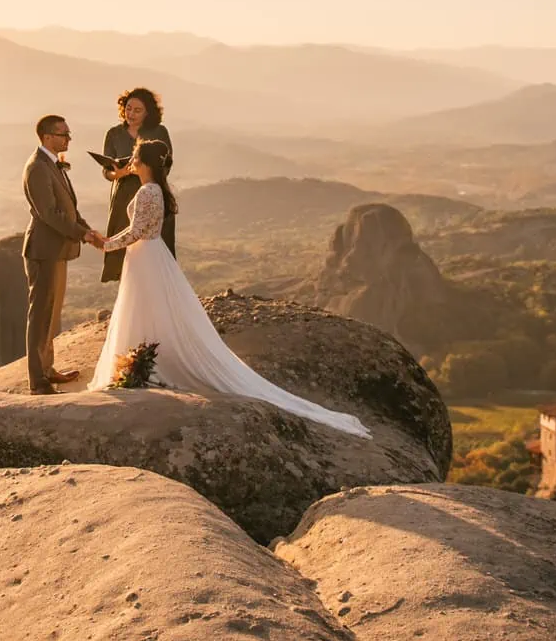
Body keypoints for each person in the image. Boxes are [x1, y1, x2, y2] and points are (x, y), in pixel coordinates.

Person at [88, 138, 369, 436]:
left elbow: (137, 232)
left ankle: (144, 362)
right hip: (150, 255)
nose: (131, 161)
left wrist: (106, 244)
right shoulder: (155, 189)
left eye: (135, 157)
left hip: (145, 256)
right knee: (151, 307)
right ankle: (146, 360)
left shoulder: (147, 191)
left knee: (142, 306)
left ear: (144, 162)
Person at [21, 114, 102, 395]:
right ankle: (38, 382)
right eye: (63, 134)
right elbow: (50, 214)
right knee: (40, 315)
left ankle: (47, 369)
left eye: (68, 133)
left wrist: (88, 231)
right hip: (44, 251)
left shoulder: (52, 164)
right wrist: (82, 234)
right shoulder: (37, 168)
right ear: (47, 137)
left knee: (51, 314)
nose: (68, 138)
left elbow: (70, 209)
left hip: (57, 251)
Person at [100, 87, 174, 282]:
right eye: (128, 108)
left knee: (154, 245)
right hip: (123, 195)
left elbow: (167, 164)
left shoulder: (159, 131)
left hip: (151, 192)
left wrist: (144, 172)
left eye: (137, 110)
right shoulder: (114, 134)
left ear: (148, 112)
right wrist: (118, 173)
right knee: (124, 246)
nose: (131, 114)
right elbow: (107, 171)